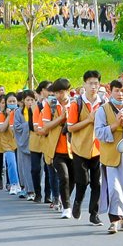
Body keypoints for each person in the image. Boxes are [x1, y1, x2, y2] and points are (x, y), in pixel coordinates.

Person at [94, 79, 123, 232]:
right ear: (110, 91)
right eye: (117, 91)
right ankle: (114, 220)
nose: (120, 94)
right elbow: (98, 132)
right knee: (114, 188)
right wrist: (115, 125)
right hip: (111, 154)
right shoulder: (103, 110)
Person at [67, 70, 104, 225]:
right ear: (84, 85)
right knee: (83, 181)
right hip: (79, 148)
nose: (93, 86)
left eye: (96, 83)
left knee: (97, 183)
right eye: (90, 83)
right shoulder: (77, 103)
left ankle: (93, 214)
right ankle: (77, 202)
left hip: (98, 149)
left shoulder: (103, 104)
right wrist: (89, 120)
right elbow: (70, 127)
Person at [40, 78, 73, 218]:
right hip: (56, 149)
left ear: (68, 91)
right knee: (63, 177)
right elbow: (46, 127)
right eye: (56, 92)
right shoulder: (50, 105)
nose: (58, 95)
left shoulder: (76, 104)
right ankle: (66, 207)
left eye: (61, 92)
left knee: (74, 179)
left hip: (74, 148)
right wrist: (61, 118)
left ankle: (63, 197)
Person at [13, 91, 36, 200]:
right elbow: (17, 127)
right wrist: (29, 125)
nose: (30, 102)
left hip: (36, 142)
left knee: (37, 168)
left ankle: (36, 189)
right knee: (25, 168)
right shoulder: (18, 112)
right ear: (23, 101)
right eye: (28, 100)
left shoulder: (38, 111)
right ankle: (29, 190)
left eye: (32, 100)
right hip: (24, 142)